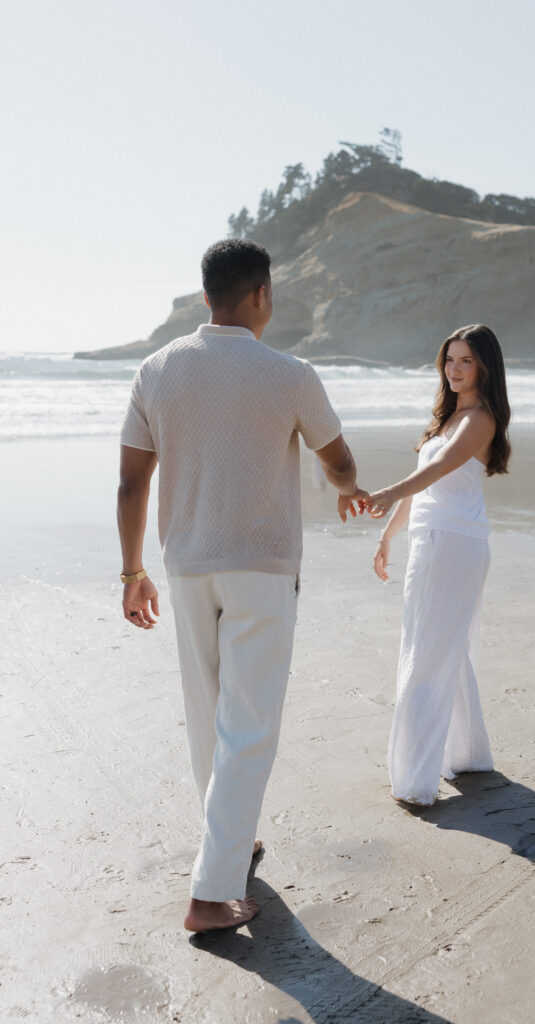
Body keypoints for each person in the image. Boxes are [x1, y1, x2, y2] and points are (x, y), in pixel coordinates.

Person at [117, 239, 367, 932]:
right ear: (262, 295)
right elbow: (339, 461)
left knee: (210, 719)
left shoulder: (158, 369)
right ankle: (209, 893)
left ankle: (233, 841)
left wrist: (132, 571)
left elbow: (132, 481)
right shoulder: (289, 372)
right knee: (249, 726)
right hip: (261, 567)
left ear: (205, 298)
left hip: (184, 566)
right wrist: (346, 486)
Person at [367, 324, 511, 807]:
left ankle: (415, 779)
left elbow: (438, 469)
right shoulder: (448, 419)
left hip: (454, 545)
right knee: (441, 646)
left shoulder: (479, 419)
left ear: (484, 367)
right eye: (449, 360)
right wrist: (387, 535)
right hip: (433, 541)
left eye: (465, 360)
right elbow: (424, 486)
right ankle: (468, 755)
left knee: (428, 652)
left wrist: (389, 491)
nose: (454, 369)